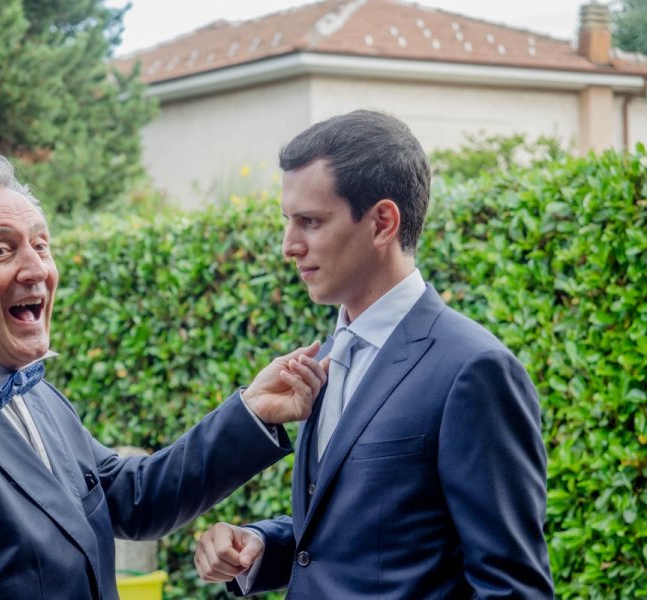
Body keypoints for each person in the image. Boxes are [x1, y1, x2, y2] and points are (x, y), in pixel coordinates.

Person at [0, 154, 327, 599]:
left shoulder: (32, 388)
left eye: (41, 245)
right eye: (1, 251)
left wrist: (251, 411)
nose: (37, 270)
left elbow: (133, 500)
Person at [194, 110, 554, 598]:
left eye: (310, 222)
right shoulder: (329, 357)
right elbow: (358, 532)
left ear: (383, 222)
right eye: (288, 222)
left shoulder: (475, 371)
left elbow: (512, 587)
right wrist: (261, 542)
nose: (288, 246)